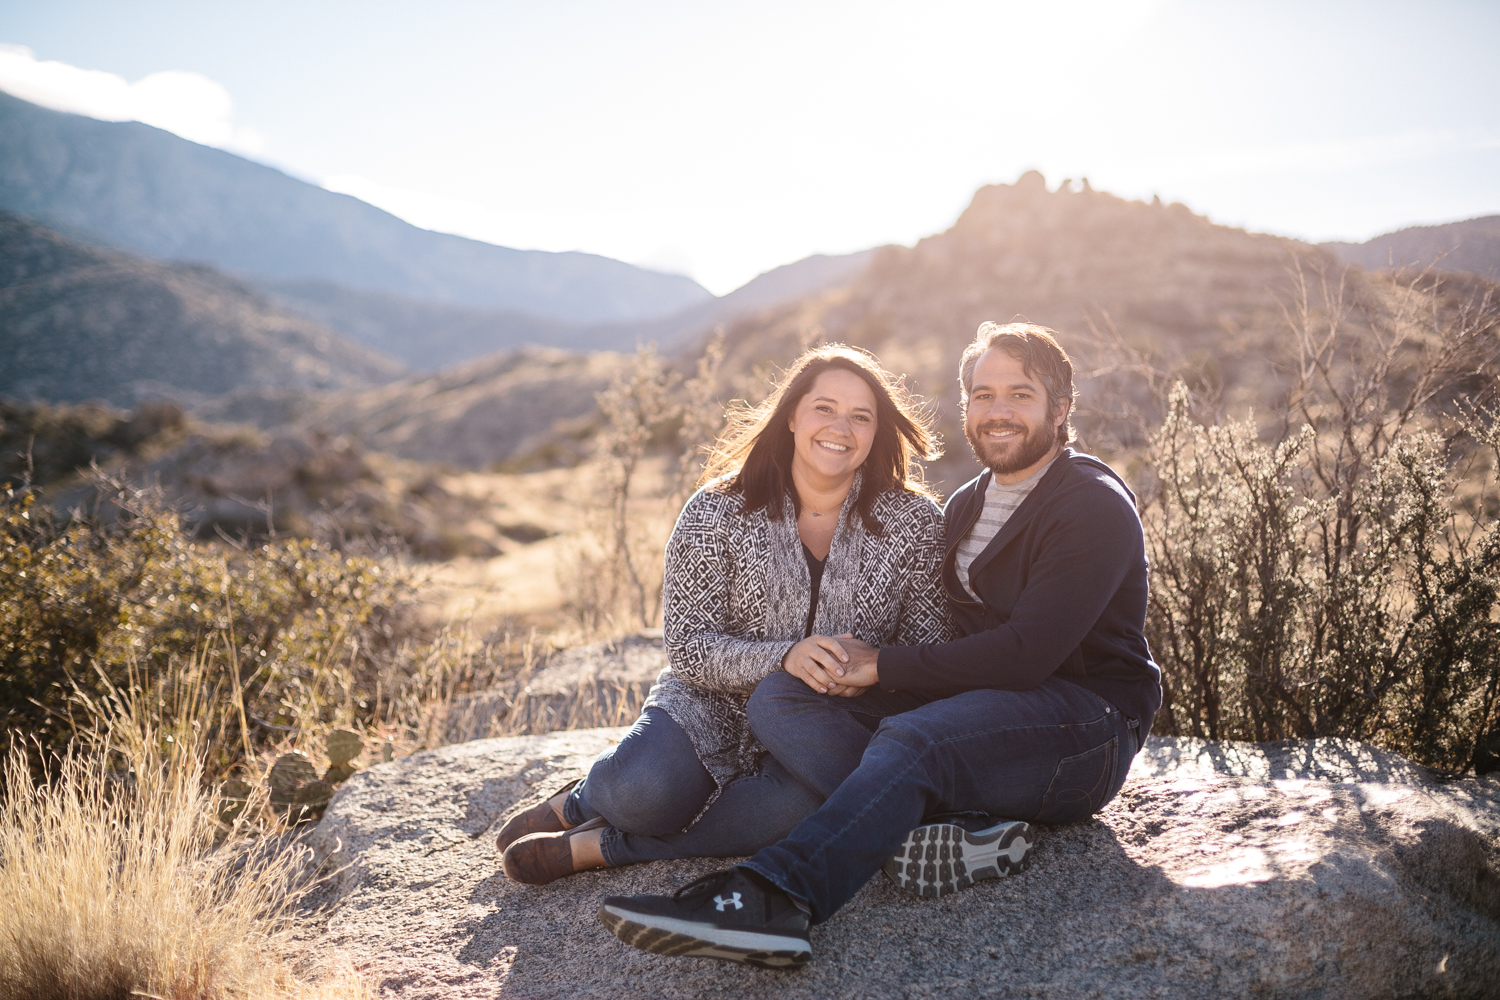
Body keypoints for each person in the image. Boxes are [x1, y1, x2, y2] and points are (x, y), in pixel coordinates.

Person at [597, 322, 1163, 969]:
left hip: (1085, 725)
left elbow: (1030, 653)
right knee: (782, 696)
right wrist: (848, 673)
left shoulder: (1090, 502)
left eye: (1020, 395)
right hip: (988, 711)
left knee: (916, 741)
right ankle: (950, 835)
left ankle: (773, 898)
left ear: (1060, 410)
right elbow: (946, 641)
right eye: (983, 395)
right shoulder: (970, 504)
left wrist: (882, 667)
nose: (997, 411)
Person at [496, 345, 954, 885]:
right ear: (791, 417)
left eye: (861, 416)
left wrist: (874, 667)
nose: (841, 428)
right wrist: (784, 657)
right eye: (824, 408)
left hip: (820, 724)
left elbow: (933, 649)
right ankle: (582, 801)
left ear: (878, 433)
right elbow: (689, 647)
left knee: (796, 813)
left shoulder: (914, 521)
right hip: (708, 701)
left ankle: (608, 845)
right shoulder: (717, 509)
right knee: (643, 793)